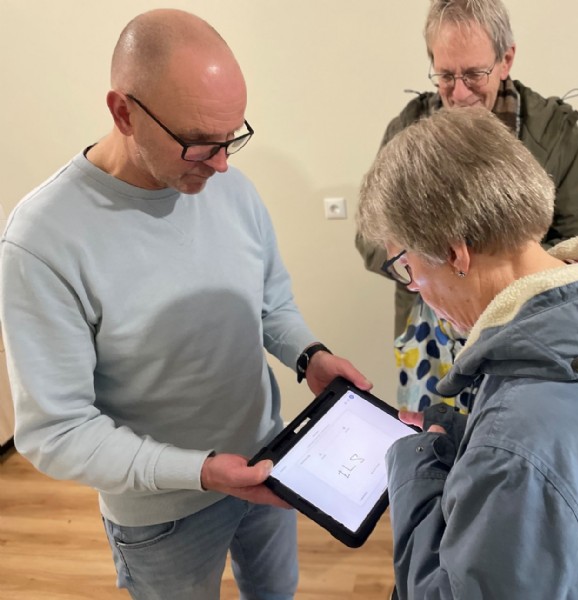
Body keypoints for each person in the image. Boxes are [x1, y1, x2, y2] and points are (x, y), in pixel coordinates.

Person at [0, 9, 370, 600]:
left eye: (233, 139)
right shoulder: (42, 241)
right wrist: (199, 471)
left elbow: (270, 301)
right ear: (123, 111)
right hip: (160, 514)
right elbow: (55, 430)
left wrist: (309, 355)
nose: (223, 164)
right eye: (200, 145)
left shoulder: (230, 186)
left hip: (269, 463)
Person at [357, 106, 578, 599]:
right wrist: (470, 451)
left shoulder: (517, 439)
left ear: (456, 252)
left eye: (406, 266)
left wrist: (416, 472)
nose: (416, 289)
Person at [356, 0, 578, 413]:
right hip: (431, 334)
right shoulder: (408, 127)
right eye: (446, 76)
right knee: (431, 444)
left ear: (506, 59)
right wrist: (427, 265)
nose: (460, 92)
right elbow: (373, 239)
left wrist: (492, 271)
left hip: (524, 326)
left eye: (473, 74)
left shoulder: (551, 128)